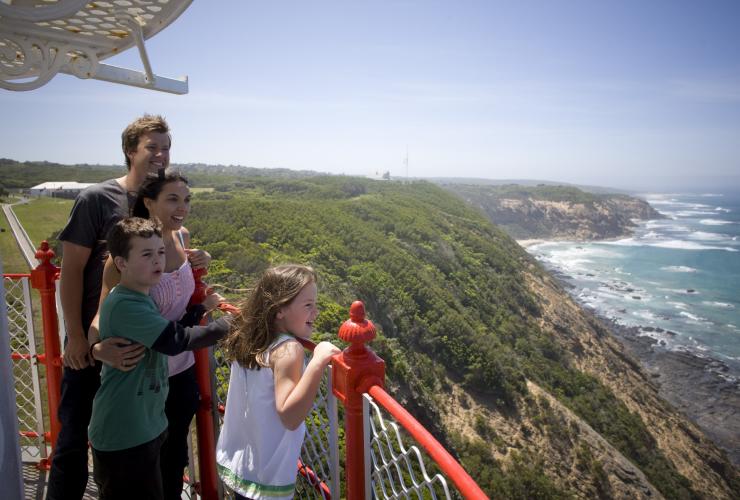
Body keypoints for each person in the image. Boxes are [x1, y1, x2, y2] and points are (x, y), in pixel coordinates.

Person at [47, 114, 209, 499]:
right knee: (73, 439)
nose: (160, 154)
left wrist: (193, 256)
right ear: (129, 152)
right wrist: (81, 340)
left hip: (149, 355)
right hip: (99, 342)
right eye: (151, 147)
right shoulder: (97, 199)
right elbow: (71, 272)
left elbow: (165, 269)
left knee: (160, 446)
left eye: (166, 147)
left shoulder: (170, 215)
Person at [88, 217, 230, 500]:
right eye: (146, 254)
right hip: (124, 434)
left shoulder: (140, 299)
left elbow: (171, 329)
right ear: (121, 264)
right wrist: (231, 325)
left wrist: (200, 308)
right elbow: (177, 341)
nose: (157, 261)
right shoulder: (126, 304)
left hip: (145, 425)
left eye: (160, 252)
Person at [90, 169, 202, 499]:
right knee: (142, 468)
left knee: (173, 460)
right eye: (172, 199)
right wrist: (96, 348)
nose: (181, 207)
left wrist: (201, 262)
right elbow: (105, 310)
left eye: (186, 199)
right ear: (149, 202)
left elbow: (183, 300)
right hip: (143, 379)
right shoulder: (125, 257)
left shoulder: (182, 238)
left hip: (181, 370)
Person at [216, 265, 341, 500]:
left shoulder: (251, 336)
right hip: (266, 478)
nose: (316, 313)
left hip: (238, 464)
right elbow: (290, 416)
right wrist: (318, 361)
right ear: (280, 309)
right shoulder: (288, 349)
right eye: (308, 305)